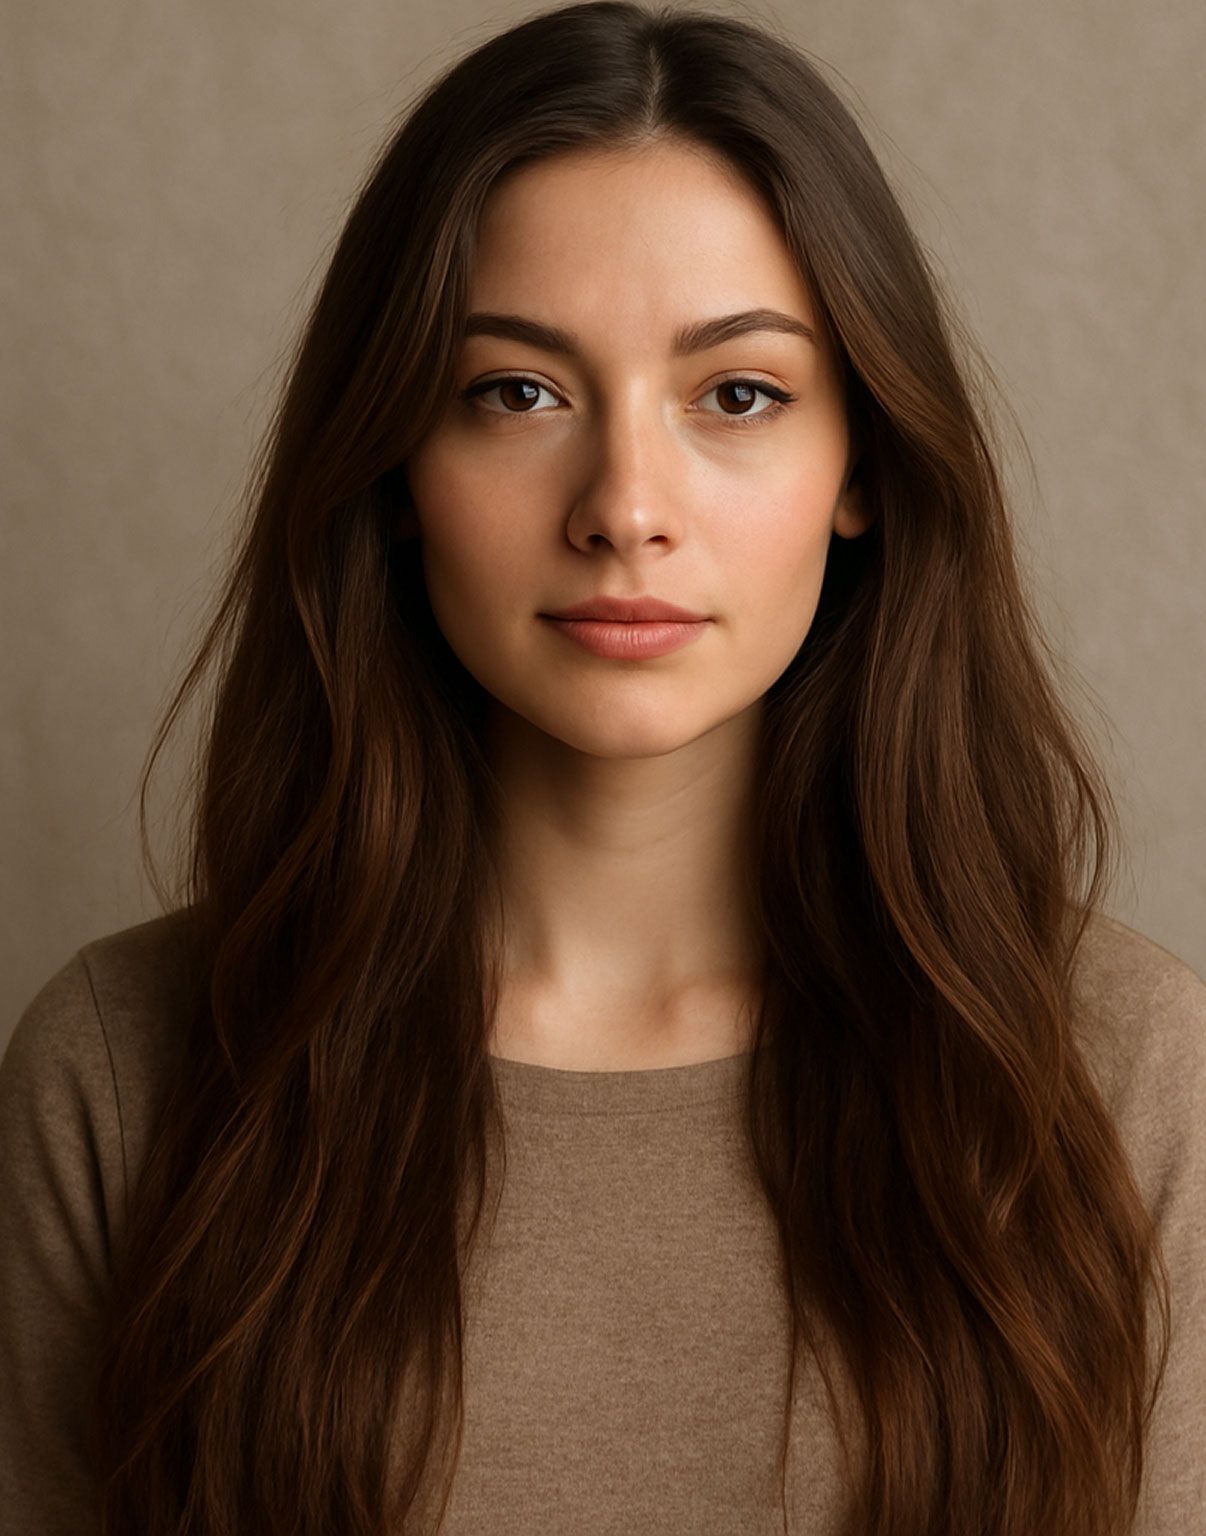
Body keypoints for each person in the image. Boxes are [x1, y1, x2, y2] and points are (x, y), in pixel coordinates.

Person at [2, 3, 1203, 1533]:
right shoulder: (125, 1072)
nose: (625, 505)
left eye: (737, 394)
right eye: (516, 392)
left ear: (862, 469)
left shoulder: (1118, 1077)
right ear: (390, 469)